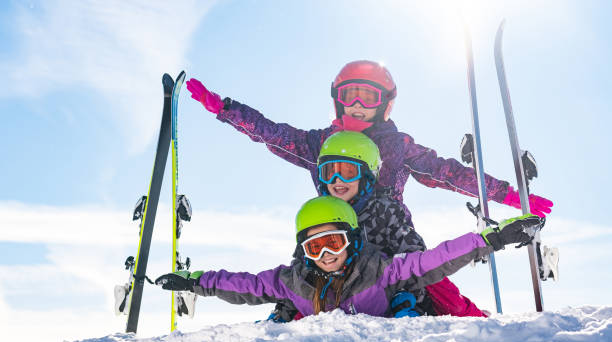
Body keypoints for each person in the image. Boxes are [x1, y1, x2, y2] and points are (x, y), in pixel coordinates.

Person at [186, 60, 553, 232]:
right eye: (351, 95)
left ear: (385, 103)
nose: (358, 104)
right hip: (334, 238)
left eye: (368, 96)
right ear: (338, 100)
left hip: (389, 238)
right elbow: (270, 132)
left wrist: (507, 195)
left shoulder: (397, 145)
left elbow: (449, 174)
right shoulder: (319, 143)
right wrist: (225, 109)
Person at [155, 196, 542, 319]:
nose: (325, 255)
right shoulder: (291, 281)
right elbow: (242, 284)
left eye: (334, 243)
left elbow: (436, 258)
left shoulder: (382, 270)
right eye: (314, 248)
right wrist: (195, 281)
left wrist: (492, 237)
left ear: (352, 241)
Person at [269, 130, 486, 322]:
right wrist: (284, 309)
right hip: (345, 291)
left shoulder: (384, 209)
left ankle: (479, 321)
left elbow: (413, 258)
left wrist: (407, 298)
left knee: (442, 288)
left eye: (347, 172)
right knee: (306, 305)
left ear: (367, 175)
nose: (336, 180)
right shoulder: (322, 213)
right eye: (329, 172)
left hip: (391, 288)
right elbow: (302, 266)